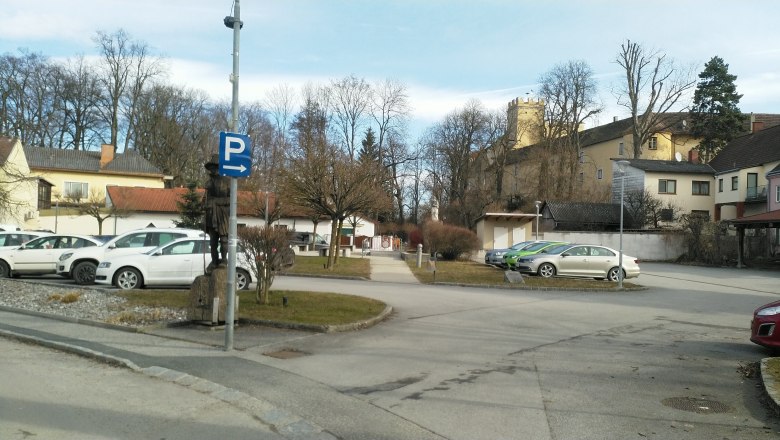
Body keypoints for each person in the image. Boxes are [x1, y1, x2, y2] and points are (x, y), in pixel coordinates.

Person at [203, 154, 230, 270]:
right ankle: (214, 261)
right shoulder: (209, 183)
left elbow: (232, 199)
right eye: (212, 168)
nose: (214, 170)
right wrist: (204, 204)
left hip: (222, 214)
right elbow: (205, 198)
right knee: (213, 241)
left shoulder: (228, 181)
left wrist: (217, 201)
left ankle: (224, 260)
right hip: (211, 214)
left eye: (216, 167)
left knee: (223, 239)